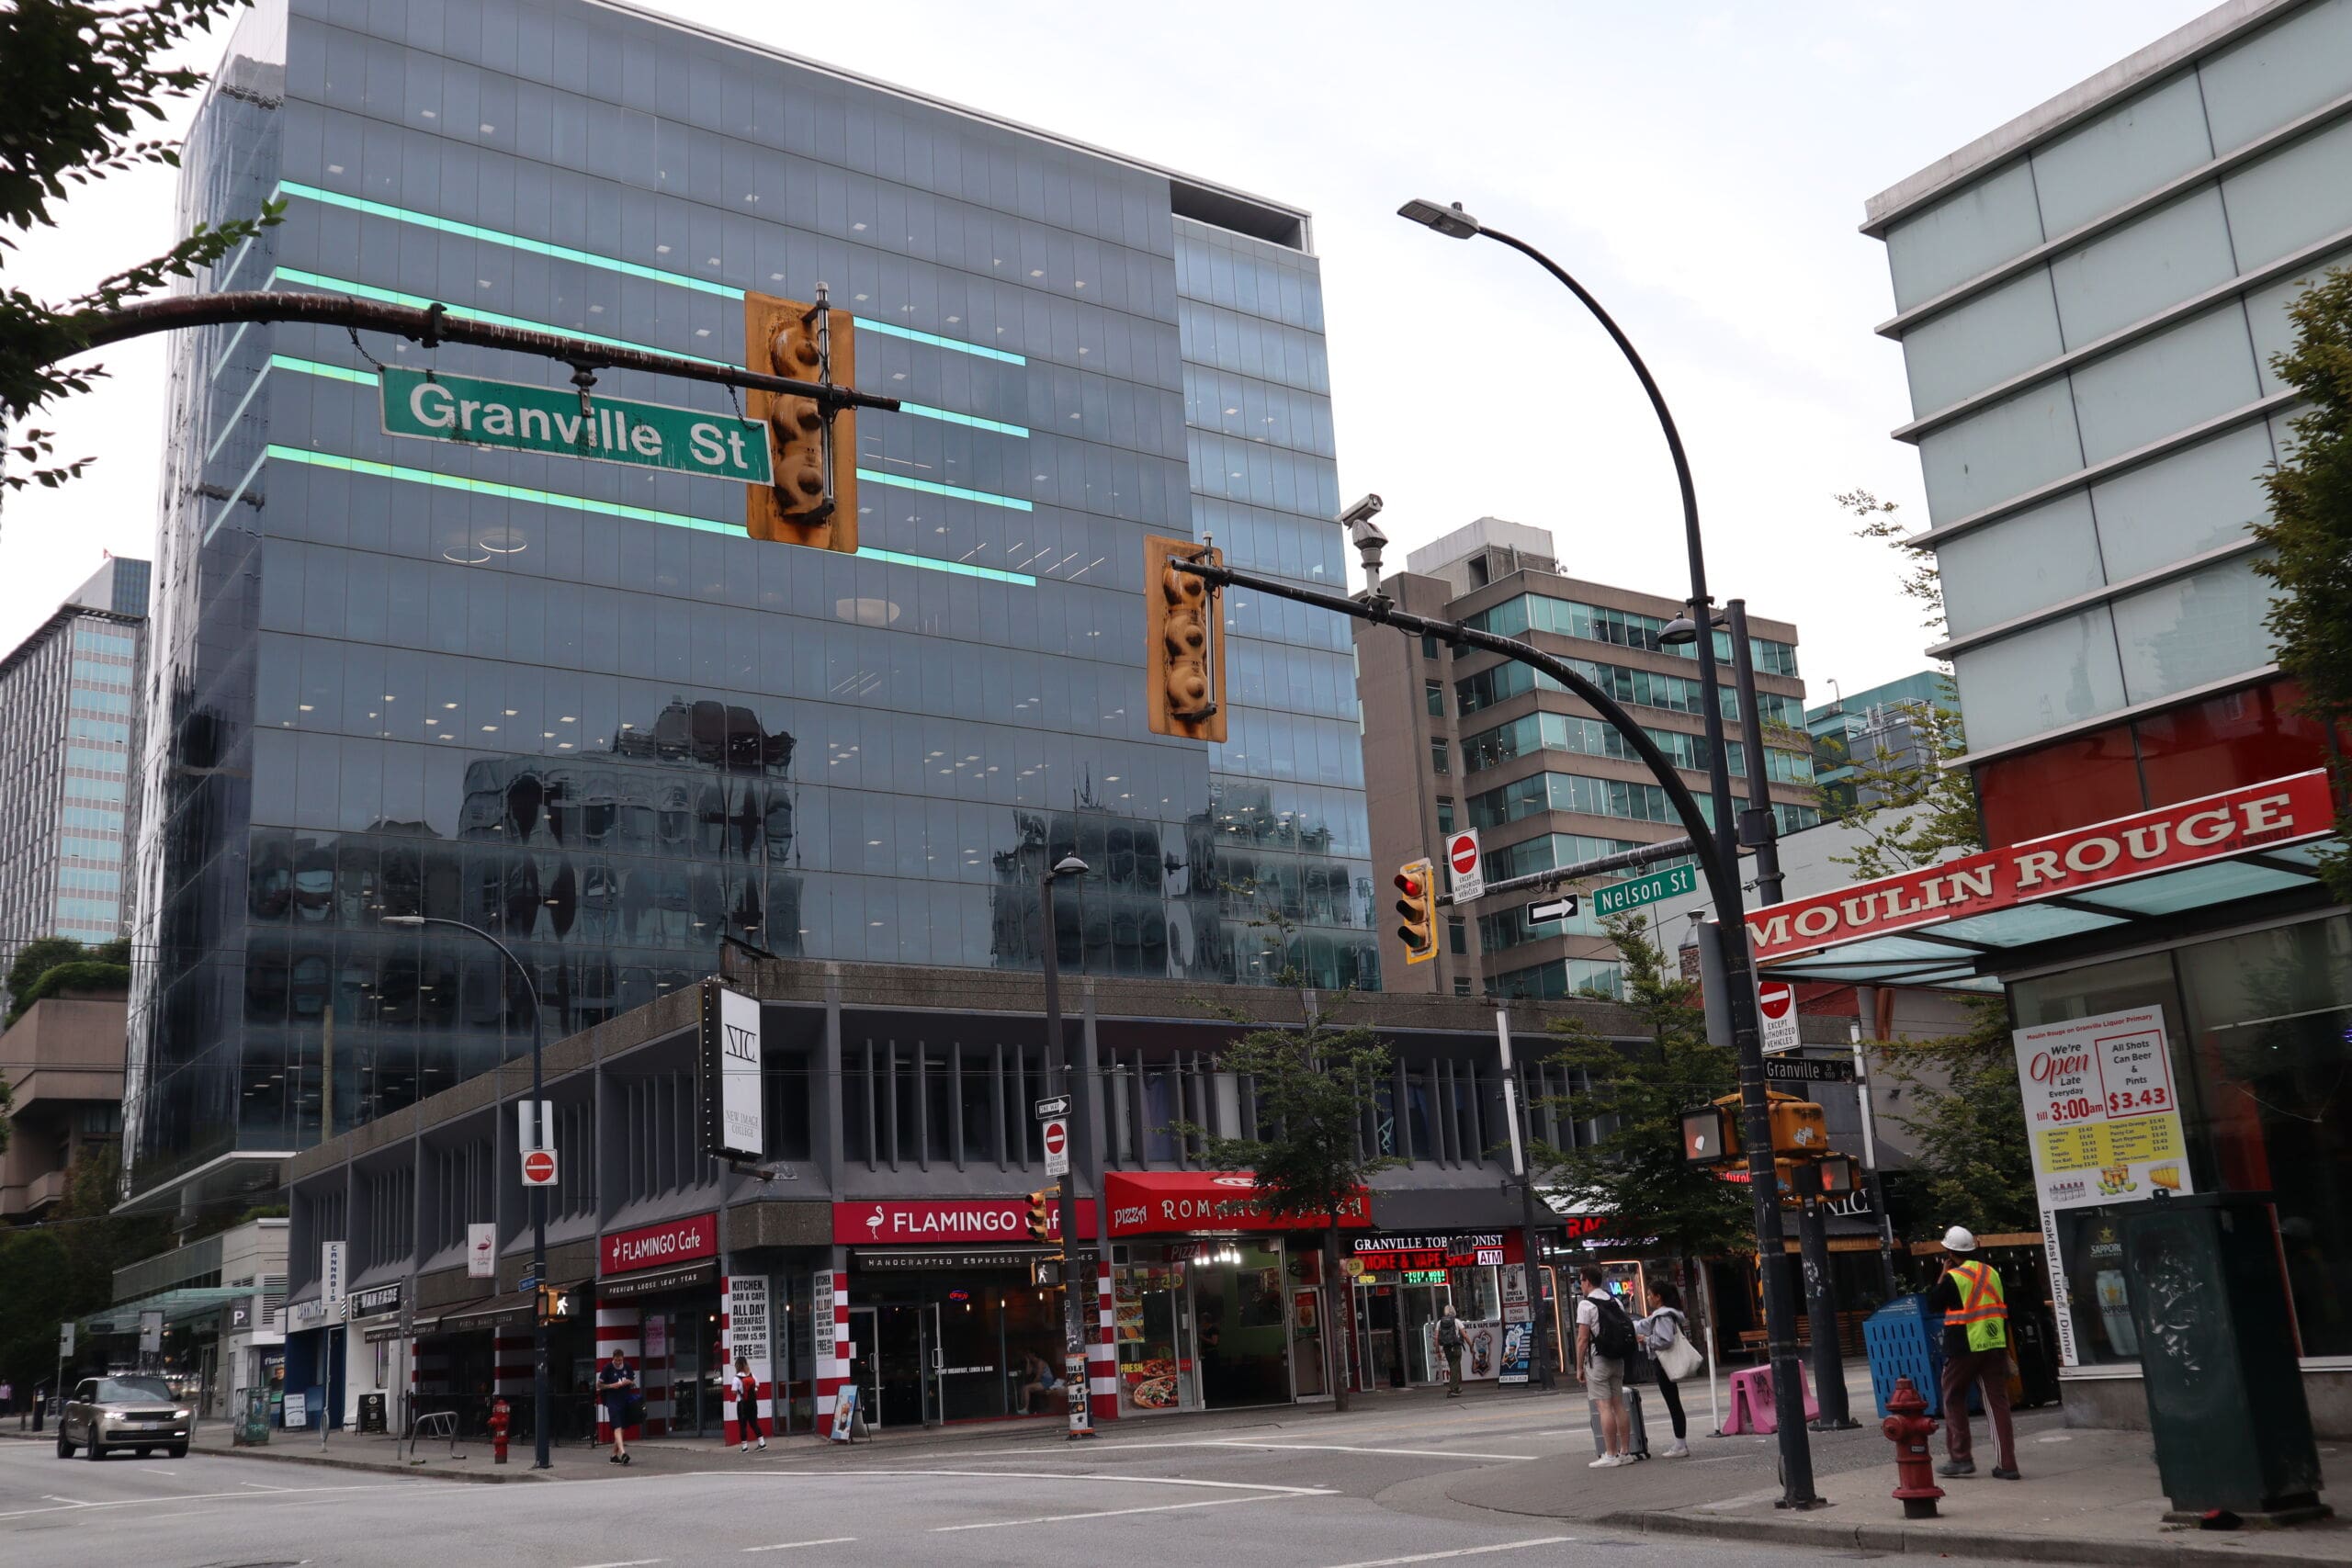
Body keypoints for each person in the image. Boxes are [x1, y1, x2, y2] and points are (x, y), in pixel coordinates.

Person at [1928, 1225, 2018, 1481]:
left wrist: (1942, 1275)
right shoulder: (1992, 1273)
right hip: (1994, 1344)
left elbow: (1933, 1303)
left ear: (1948, 1252)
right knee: (1997, 1403)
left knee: (1953, 1396)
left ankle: (1961, 1458)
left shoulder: (1953, 1278)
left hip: (1963, 1347)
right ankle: (2008, 1464)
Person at [1575, 1266, 1637, 1468]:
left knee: (1604, 1407)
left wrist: (1579, 1367)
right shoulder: (1615, 1301)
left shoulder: (1586, 1305)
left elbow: (1583, 1339)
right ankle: (1625, 1452)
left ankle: (1610, 1454)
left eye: (1581, 1281)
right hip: (1617, 1358)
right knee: (1619, 1404)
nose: (1580, 1285)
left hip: (1598, 1358)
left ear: (1588, 1282)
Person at [1636, 1282, 1691, 1459]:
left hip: (1663, 1364)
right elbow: (1642, 1324)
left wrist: (1645, 1340)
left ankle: (1680, 1445)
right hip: (1663, 1363)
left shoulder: (1663, 1316)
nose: (1648, 1298)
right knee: (1674, 1402)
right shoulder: (1666, 1314)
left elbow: (1665, 1340)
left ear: (1658, 1297)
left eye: (1650, 1294)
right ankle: (1680, 1443)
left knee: (1673, 1403)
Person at [596, 1351, 637, 1466]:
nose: (619, 1363)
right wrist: (611, 1386)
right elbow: (599, 1385)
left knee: (622, 1427)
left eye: (620, 1360)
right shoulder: (608, 1368)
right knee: (617, 1426)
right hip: (612, 1401)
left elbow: (632, 1382)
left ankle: (614, 1455)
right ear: (613, 1359)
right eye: (616, 1360)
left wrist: (629, 1382)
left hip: (624, 1400)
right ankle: (623, 1453)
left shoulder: (627, 1367)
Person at [731, 1356, 766, 1453]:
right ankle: (762, 1443)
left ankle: (744, 1447)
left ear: (737, 1365)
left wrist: (741, 1392)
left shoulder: (736, 1378)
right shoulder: (751, 1375)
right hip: (752, 1403)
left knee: (742, 1425)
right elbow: (757, 1385)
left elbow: (733, 1392)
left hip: (742, 1404)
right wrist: (753, 1391)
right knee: (754, 1423)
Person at [1015, 1350, 1060, 1414]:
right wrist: (1028, 1362)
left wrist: (1031, 1384)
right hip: (1041, 1381)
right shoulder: (1032, 1363)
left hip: (1047, 1381)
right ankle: (1023, 1408)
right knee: (1024, 1388)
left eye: (1028, 1355)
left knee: (1027, 1387)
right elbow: (1028, 1373)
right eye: (1027, 1355)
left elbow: (1039, 1376)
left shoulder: (1040, 1362)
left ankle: (1026, 1409)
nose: (1027, 1356)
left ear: (1033, 1354)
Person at [1435, 1303, 1466, 1396]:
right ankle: (1451, 1389)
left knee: (1453, 1367)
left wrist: (1438, 1351)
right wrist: (1471, 1346)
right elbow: (1464, 1335)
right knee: (1455, 1368)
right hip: (1456, 1347)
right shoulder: (1457, 1321)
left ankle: (1456, 1388)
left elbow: (1436, 1338)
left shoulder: (1439, 1323)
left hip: (1447, 1348)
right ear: (1453, 1311)